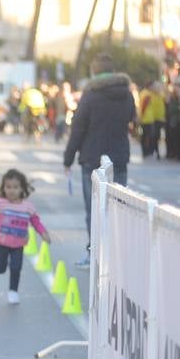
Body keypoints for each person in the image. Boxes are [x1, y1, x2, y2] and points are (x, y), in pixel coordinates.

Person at [62, 53, 135, 267]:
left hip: (92, 159)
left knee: (94, 210)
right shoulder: (127, 94)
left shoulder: (91, 95)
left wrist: (68, 157)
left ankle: (94, 254)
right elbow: (132, 117)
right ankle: (115, 255)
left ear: (94, 71)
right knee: (117, 209)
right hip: (119, 157)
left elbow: (78, 127)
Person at [0, 168, 51, 304]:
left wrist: (43, 233)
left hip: (18, 245)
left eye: (15, 187)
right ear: (3, 188)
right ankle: (3, 264)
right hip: (2, 243)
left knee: (16, 268)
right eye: (8, 187)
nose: (11, 190)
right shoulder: (0, 203)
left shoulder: (28, 207)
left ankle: (13, 291)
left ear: (22, 189)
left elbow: (36, 221)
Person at [137, 79, 165, 159]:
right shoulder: (147, 94)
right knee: (147, 136)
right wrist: (141, 117)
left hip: (150, 118)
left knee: (148, 136)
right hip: (147, 119)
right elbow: (143, 107)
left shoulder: (149, 94)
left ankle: (148, 152)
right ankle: (147, 152)